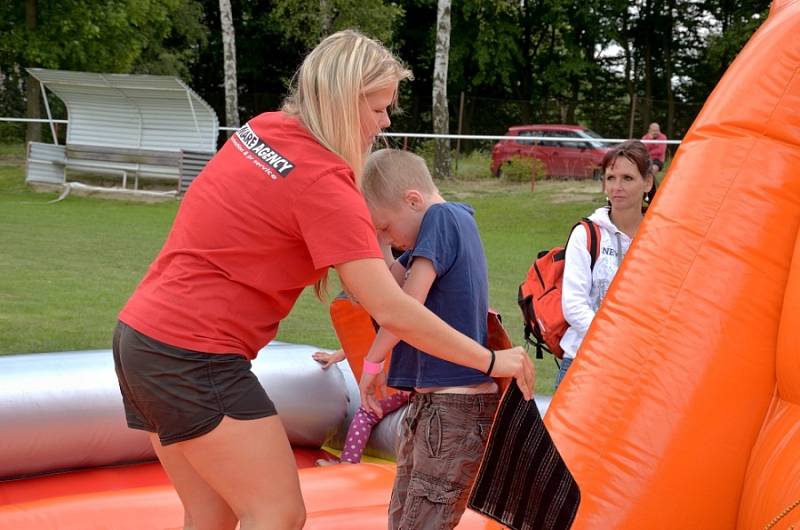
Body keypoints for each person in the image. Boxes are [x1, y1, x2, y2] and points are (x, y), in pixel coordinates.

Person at [111, 29, 534, 530]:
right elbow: (392, 309)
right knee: (279, 514)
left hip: (140, 340)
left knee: (210, 513)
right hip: (193, 355)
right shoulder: (323, 181)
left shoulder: (262, 130)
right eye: (378, 108)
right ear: (343, 101)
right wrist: (489, 357)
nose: (385, 121)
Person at [357, 148, 507, 530]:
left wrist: (373, 363)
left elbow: (404, 309)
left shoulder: (441, 218)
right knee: (406, 518)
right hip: (433, 404)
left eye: (388, 226)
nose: (389, 237)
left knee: (420, 522)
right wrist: (375, 238)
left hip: (453, 407)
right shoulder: (441, 226)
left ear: (413, 200)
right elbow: (388, 289)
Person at [556, 140, 656, 389]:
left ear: (648, 182)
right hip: (584, 364)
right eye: (611, 178)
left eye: (627, 178)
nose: (617, 187)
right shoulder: (587, 233)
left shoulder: (661, 236)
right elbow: (574, 306)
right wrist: (615, 343)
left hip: (640, 369)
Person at [312, 347, 410, 465]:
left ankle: (348, 462)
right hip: (428, 386)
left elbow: (369, 342)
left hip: (404, 385)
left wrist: (339, 354)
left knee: (367, 412)